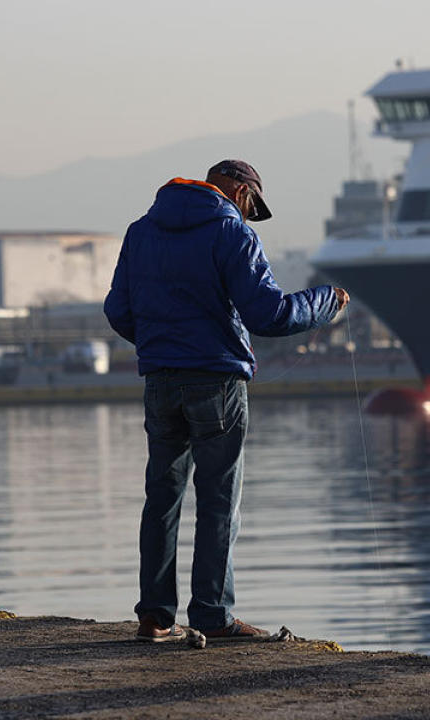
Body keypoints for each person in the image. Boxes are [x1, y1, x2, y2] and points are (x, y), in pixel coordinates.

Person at [104, 159, 349, 643]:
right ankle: (213, 617)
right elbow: (269, 313)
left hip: (160, 382)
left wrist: (159, 345)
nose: (249, 212)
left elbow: (117, 310)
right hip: (216, 382)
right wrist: (326, 301)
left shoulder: (141, 230)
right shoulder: (231, 233)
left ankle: (155, 619)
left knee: (163, 498)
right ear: (239, 190)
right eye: (252, 203)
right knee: (219, 502)